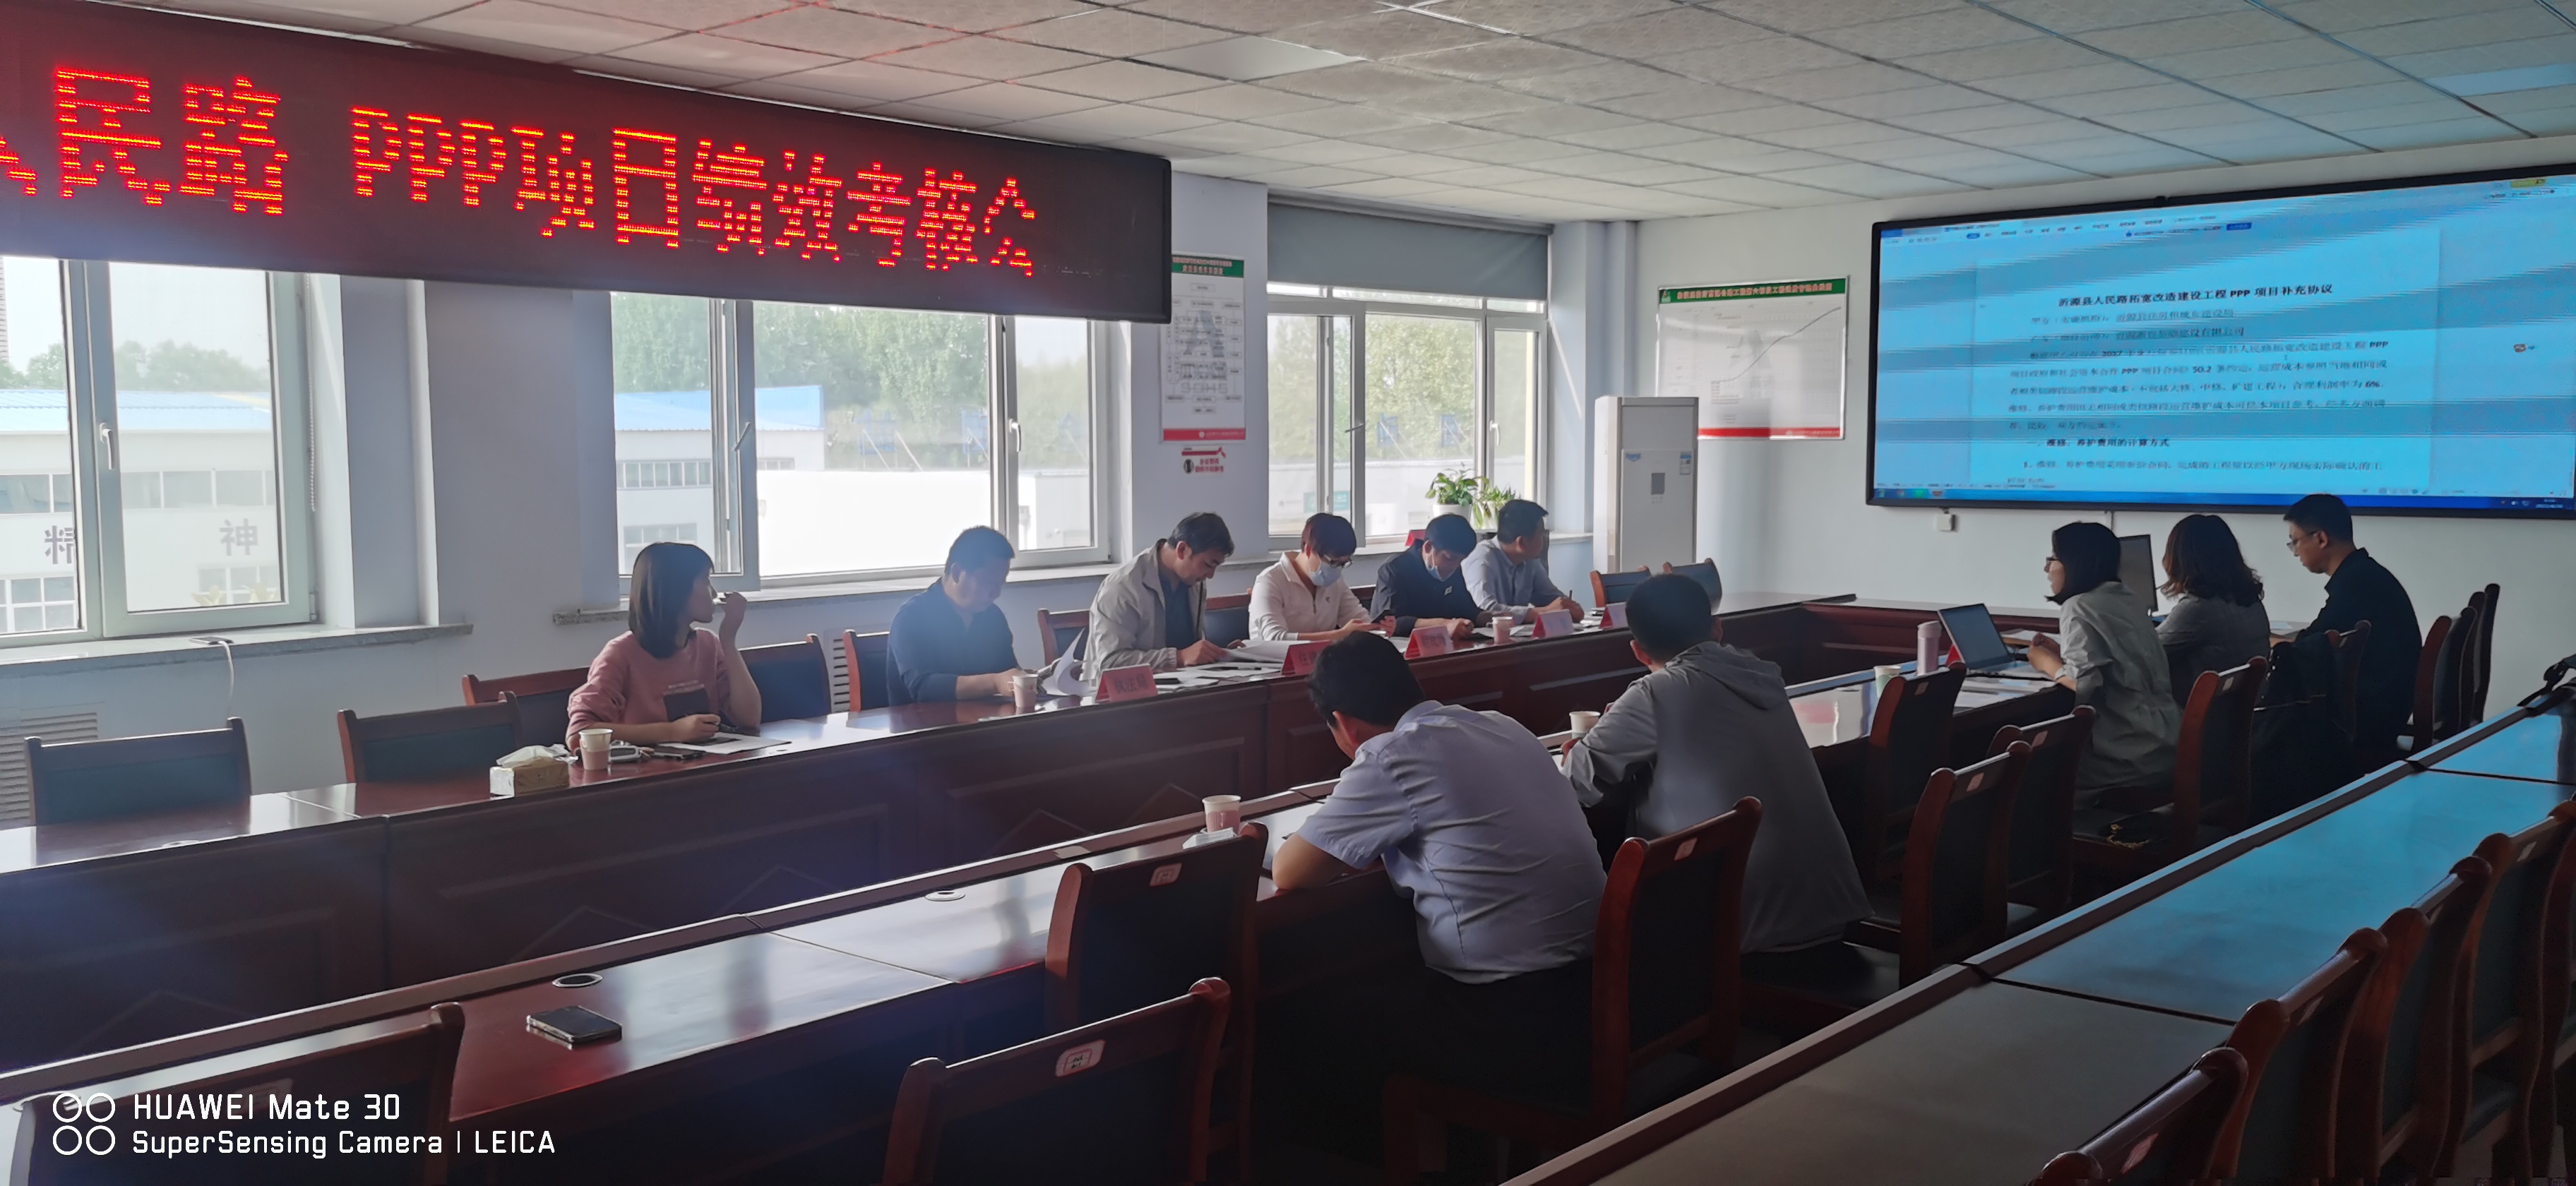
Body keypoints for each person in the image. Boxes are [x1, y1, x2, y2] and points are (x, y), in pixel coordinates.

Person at [1273, 633, 1605, 1100]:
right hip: (1598, 988)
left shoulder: (1392, 755)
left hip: (1510, 1016)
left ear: (1344, 724)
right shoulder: (1502, 726)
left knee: (1313, 1017)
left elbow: (1290, 871)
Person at [1563, 574, 1870, 953]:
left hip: (1745, 931)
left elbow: (1576, 783)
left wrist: (1582, 747)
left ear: (1639, 652)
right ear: (1718, 628)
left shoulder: (1655, 693)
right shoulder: (1760, 673)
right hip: (1830, 909)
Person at [2026, 522, 2180, 798]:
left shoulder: (2078, 606)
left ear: (2075, 563)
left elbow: (2082, 683)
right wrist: (2061, 654)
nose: (2047, 568)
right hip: (2166, 743)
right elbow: (2117, 662)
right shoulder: (2129, 599)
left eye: (2053, 558)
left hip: (2126, 756)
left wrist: (2045, 663)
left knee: (2029, 774)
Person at [566, 541, 763, 743]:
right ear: (675, 588)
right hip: (650, 763)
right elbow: (578, 733)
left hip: (706, 760)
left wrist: (728, 641)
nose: (713, 593)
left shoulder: (708, 645)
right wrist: (672, 732)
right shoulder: (620, 653)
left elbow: (749, 718)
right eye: (705, 580)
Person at [2280, 493, 2421, 757]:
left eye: (2295, 541)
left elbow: (2309, 647)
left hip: (2371, 719)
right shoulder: (2367, 574)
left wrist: (2273, 643)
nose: (2296, 552)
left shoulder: (2356, 585)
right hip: (2391, 706)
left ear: (2321, 539)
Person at [1084, 511, 1234, 682]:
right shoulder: (1123, 587)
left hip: (1181, 686)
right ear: (1182, 550)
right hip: (1121, 694)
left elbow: (1190, 651)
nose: (1211, 575)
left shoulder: (1194, 582)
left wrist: (1221, 654)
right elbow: (1111, 663)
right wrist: (1178, 657)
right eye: (1208, 565)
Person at [887, 526, 1023, 703]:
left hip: (984, 718)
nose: (996, 593)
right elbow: (923, 688)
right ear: (957, 573)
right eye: (988, 582)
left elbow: (1008, 672)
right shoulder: (912, 617)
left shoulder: (993, 617)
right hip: (922, 720)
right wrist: (994, 682)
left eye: (1001, 583)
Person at [2155, 514, 2271, 703]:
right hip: (2236, 716)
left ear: (2181, 559)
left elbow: (2146, 654)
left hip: (2197, 717)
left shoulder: (2199, 609)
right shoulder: (2250, 600)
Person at [1249, 513, 1388, 642]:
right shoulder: (1270, 581)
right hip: (1273, 660)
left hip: (1323, 658)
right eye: (1333, 563)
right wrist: (1340, 635)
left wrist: (1379, 629)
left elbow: (1359, 619)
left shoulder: (1336, 582)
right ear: (1309, 550)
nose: (1337, 569)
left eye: (1343, 564)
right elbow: (1274, 639)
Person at [1462, 498, 1582, 623]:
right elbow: (1486, 611)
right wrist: (1542, 612)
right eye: (1541, 534)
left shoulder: (1530, 561)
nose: (1544, 539)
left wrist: (1570, 607)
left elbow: (1549, 597)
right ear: (1521, 542)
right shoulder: (1482, 560)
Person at [1365, 513, 1480, 642]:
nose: (1455, 566)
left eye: (1461, 560)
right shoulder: (1394, 570)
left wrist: (1488, 617)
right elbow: (1392, 622)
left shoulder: (1453, 568)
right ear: (1428, 547)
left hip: (1444, 645)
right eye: (1449, 558)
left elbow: (1466, 609)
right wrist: (1444, 625)